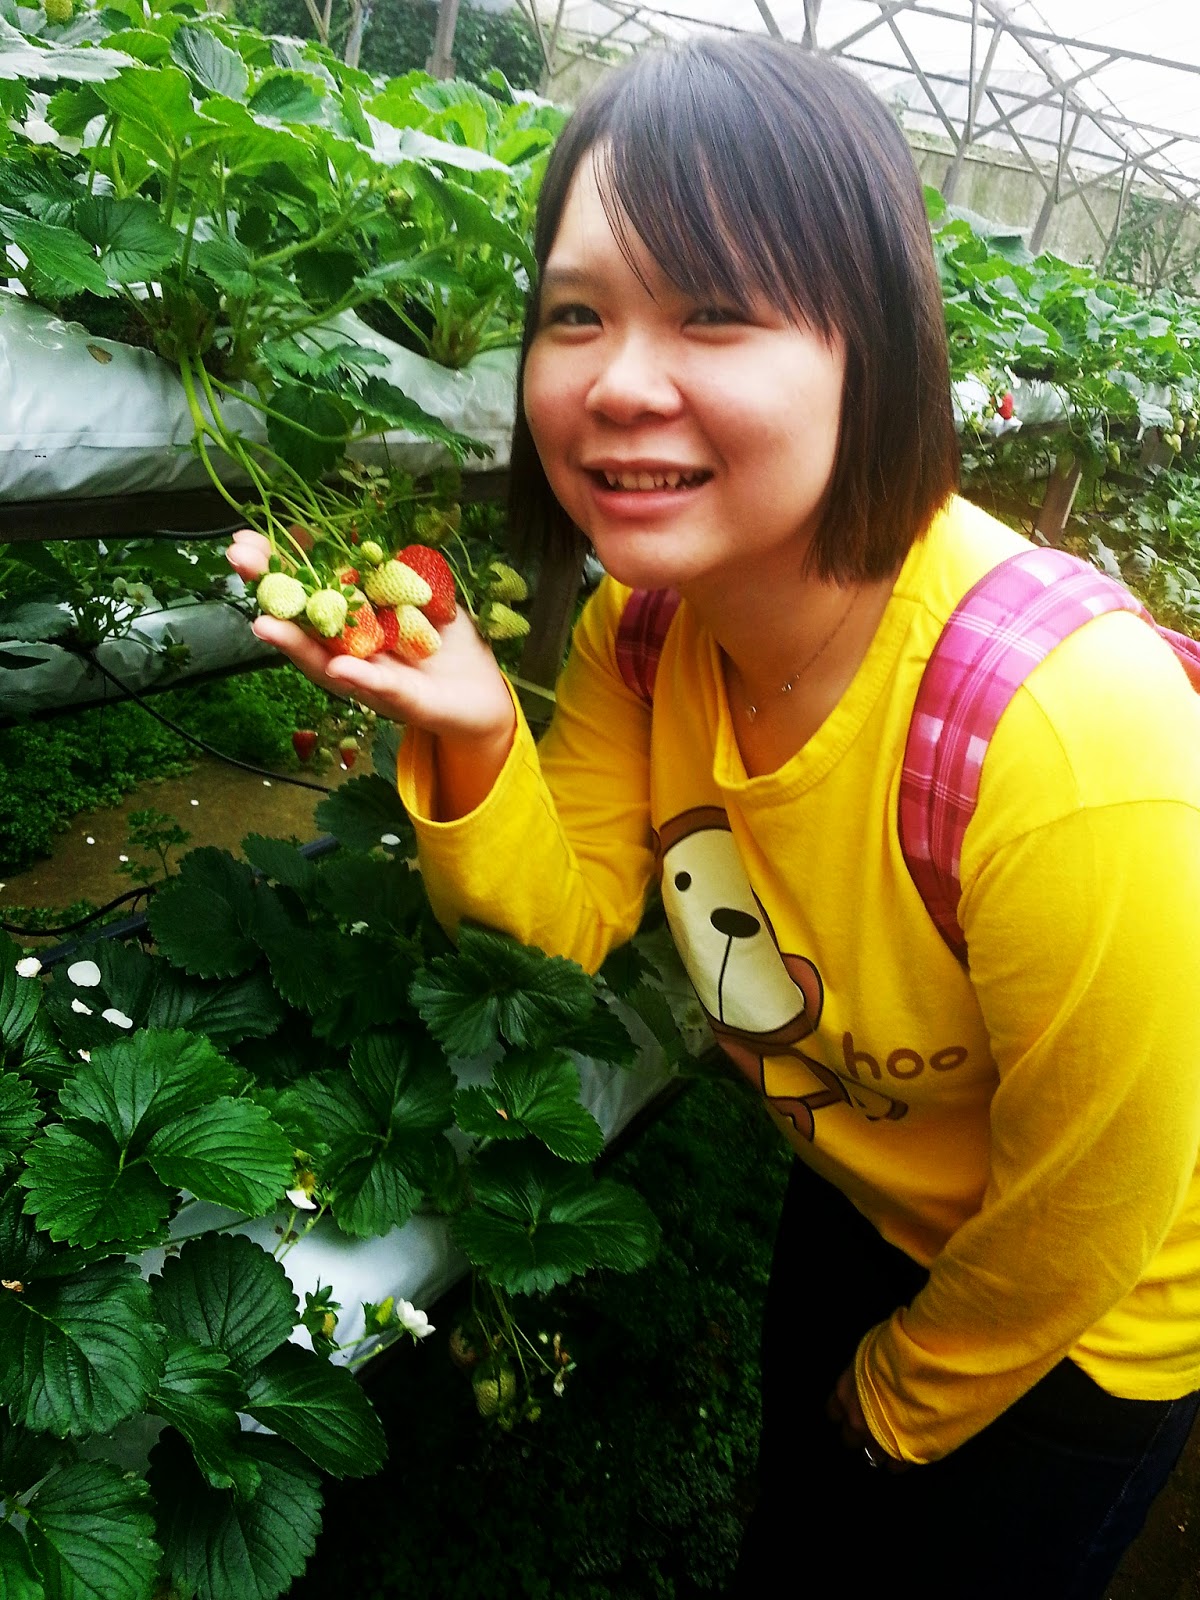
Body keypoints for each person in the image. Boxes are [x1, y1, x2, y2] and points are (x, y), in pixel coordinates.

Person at [227, 37, 1200, 1598]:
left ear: (869, 351)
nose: (616, 379)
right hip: (868, 1193)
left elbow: (1095, 1207)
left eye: (717, 312)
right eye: (576, 312)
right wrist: (476, 732)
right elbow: (563, 928)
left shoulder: (1073, 738)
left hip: (1085, 1318)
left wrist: (892, 1407)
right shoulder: (651, 633)